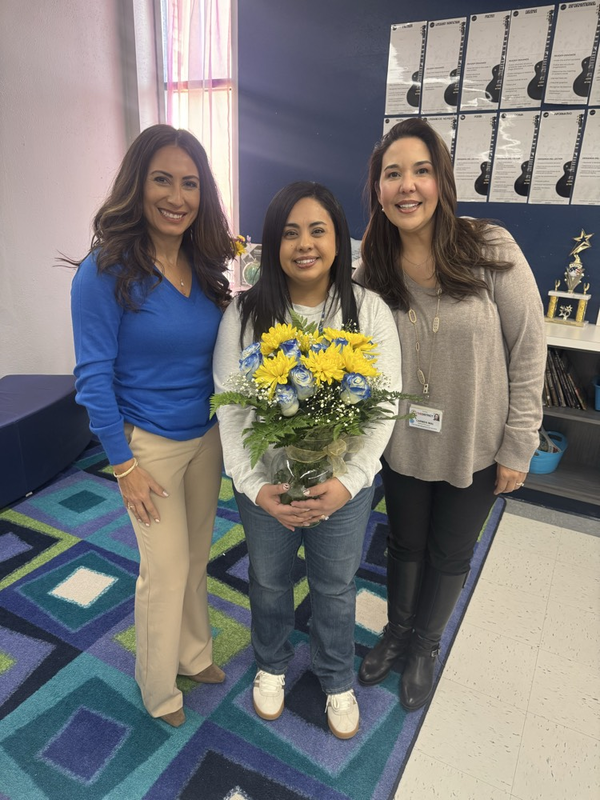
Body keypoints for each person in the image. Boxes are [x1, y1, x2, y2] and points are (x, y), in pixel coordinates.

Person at [355, 118, 546, 711]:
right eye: (393, 174)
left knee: (450, 553)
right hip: (404, 444)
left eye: (421, 170)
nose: (407, 186)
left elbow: (529, 345)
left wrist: (520, 444)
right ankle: (397, 632)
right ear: (378, 190)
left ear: (441, 179)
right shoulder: (372, 267)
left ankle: (426, 646)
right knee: (404, 545)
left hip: (476, 444)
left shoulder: (488, 246)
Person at [213, 182, 401, 739]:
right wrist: (252, 484)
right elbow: (230, 405)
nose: (304, 244)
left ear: (340, 242)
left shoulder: (367, 310)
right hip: (267, 486)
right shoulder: (245, 312)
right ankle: (271, 664)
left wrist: (347, 482)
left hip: (345, 488)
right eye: (290, 233)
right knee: (269, 581)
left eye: (318, 230)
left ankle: (335, 675)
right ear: (272, 245)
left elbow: (384, 406)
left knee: (335, 586)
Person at [70, 124, 236, 727]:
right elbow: (92, 380)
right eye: (162, 179)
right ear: (137, 186)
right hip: (150, 449)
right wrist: (124, 465)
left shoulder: (202, 264)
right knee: (162, 571)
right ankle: (157, 684)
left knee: (196, 558)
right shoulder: (103, 272)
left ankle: (193, 655)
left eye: (190, 184)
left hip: (205, 438)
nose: (177, 196)